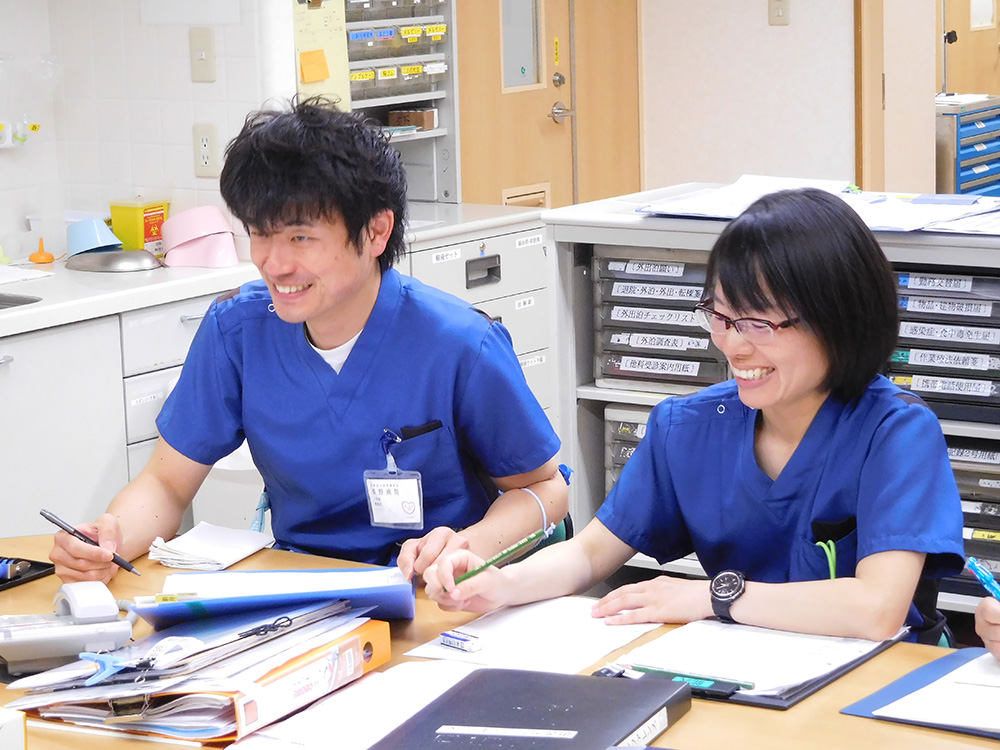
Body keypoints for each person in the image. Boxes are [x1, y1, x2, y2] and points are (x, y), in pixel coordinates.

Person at [49, 97, 567, 584]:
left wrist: (467, 548)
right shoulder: (237, 331)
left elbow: (546, 488)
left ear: (376, 233)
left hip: (436, 592)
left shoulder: (458, 344)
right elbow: (166, 483)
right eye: (259, 233)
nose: (274, 264)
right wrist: (109, 537)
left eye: (300, 237)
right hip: (303, 591)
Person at [425, 188, 965, 643]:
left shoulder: (894, 432)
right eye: (721, 316)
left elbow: (876, 609)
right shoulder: (687, 428)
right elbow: (590, 554)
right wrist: (500, 582)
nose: (733, 346)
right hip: (736, 664)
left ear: (839, 319)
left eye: (760, 323)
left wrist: (711, 598)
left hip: (871, 678)